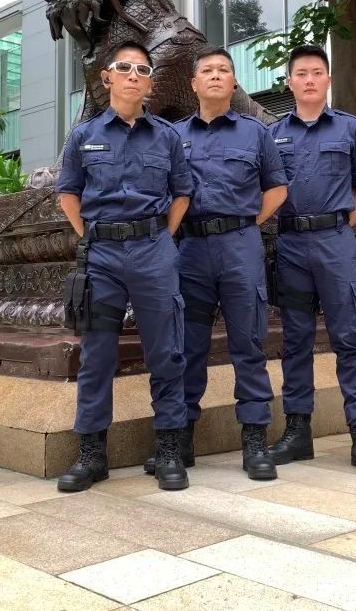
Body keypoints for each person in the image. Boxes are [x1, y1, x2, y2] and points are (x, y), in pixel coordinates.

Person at [142, 46, 288, 481]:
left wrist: (245, 224)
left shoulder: (255, 132)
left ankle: (255, 441)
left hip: (240, 245)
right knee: (186, 347)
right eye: (207, 70)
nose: (216, 75)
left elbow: (277, 189)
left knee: (249, 343)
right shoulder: (173, 135)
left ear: (234, 81)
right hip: (190, 249)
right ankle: (181, 438)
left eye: (224, 69)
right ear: (193, 83)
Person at [55, 40, 194, 492]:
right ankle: (92, 455)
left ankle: (169, 449)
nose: (134, 75)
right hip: (102, 257)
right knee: (97, 355)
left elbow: (182, 193)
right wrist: (91, 235)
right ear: (107, 77)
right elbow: (68, 194)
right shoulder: (83, 136)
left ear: (150, 83)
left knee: (166, 351)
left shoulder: (166, 137)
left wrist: (162, 236)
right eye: (124, 67)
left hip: (154, 251)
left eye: (142, 70)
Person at [266, 45, 356, 476]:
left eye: (317, 72)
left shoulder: (351, 128)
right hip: (291, 244)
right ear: (290, 82)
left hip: (335, 242)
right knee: (296, 341)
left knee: (349, 339)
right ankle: (297, 432)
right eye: (301, 73)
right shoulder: (273, 134)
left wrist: (341, 224)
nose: (310, 80)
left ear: (328, 80)